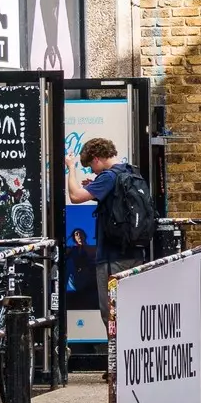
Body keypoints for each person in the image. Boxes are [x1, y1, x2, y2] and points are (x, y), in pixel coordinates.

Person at [66, 137, 152, 323]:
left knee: (111, 315)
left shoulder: (109, 177)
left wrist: (71, 167)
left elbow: (75, 196)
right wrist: (95, 187)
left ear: (96, 158)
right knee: (130, 311)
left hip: (112, 257)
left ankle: (115, 352)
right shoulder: (130, 171)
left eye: (90, 166)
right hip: (133, 253)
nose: (92, 171)